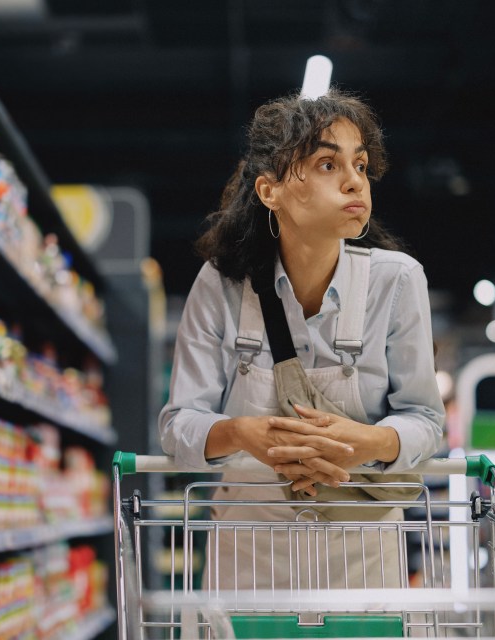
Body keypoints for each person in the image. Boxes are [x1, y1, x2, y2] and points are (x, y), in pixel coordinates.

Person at [158, 88, 445, 591]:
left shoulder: (396, 281)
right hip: (248, 557)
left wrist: (371, 442)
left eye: (360, 164)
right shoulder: (221, 285)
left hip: (364, 558)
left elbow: (425, 418)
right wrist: (245, 434)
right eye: (328, 165)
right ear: (270, 192)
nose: (356, 180)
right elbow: (178, 424)